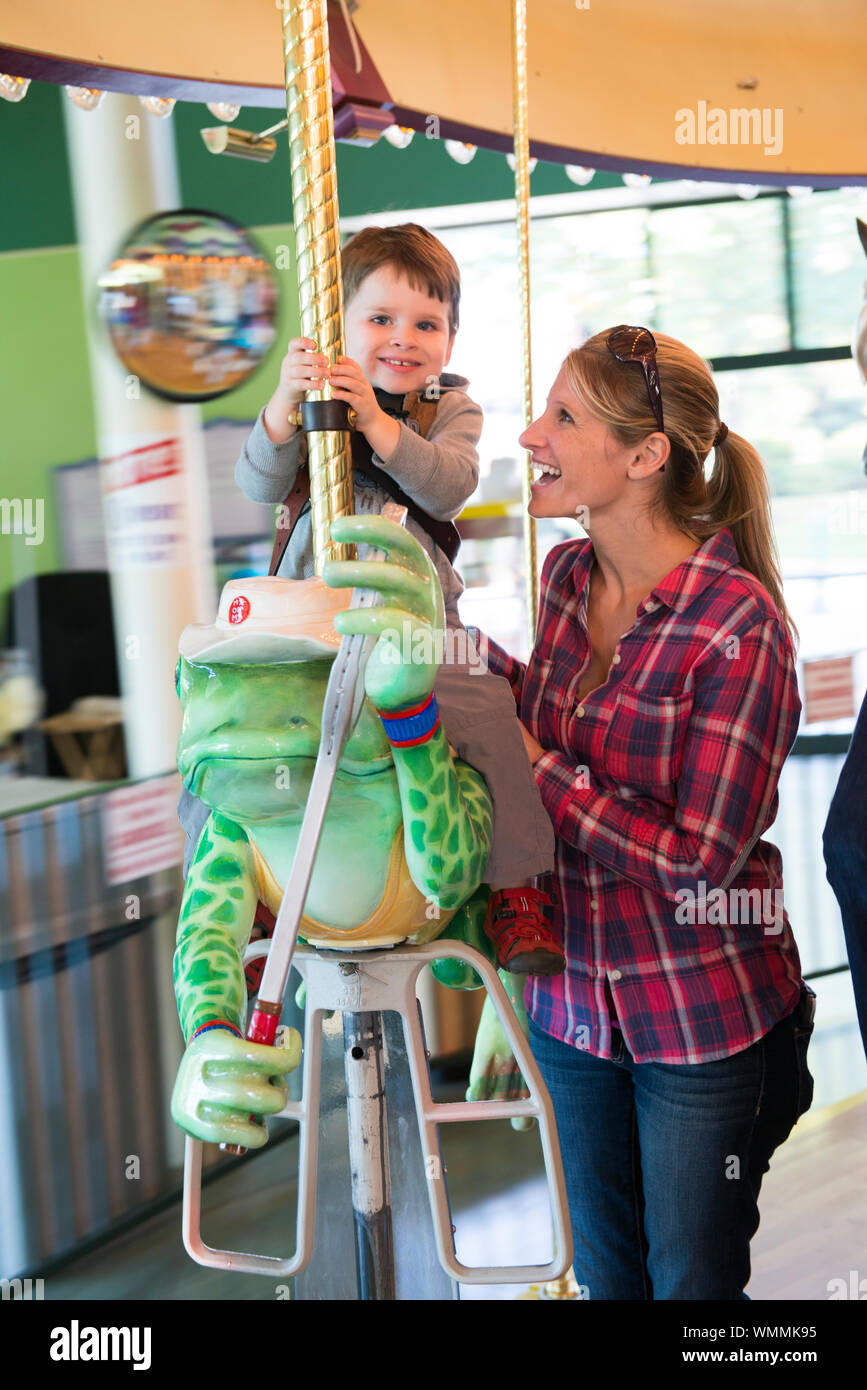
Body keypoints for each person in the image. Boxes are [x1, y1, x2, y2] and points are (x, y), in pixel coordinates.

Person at [481, 325, 815, 1299]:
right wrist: (449, 655)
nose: (532, 433)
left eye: (563, 416)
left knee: (693, 1288)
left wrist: (540, 771)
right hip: (572, 1002)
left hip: (697, 1010)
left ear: (645, 455)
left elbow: (701, 860)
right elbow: (536, 725)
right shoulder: (564, 579)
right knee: (608, 1280)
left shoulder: (737, 625)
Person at [180, 223, 562, 974]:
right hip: (308, 631)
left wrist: (378, 424)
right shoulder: (315, 400)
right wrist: (287, 404)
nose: (403, 339)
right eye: (380, 319)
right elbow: (256, 484)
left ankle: (517, 884)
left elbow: (448, 485)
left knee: (486, 709)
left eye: (427, 324)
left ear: (450, 339)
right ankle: (235, 899)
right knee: (214, 740)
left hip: (414, 628)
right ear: (339, 328)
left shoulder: (450, 409)